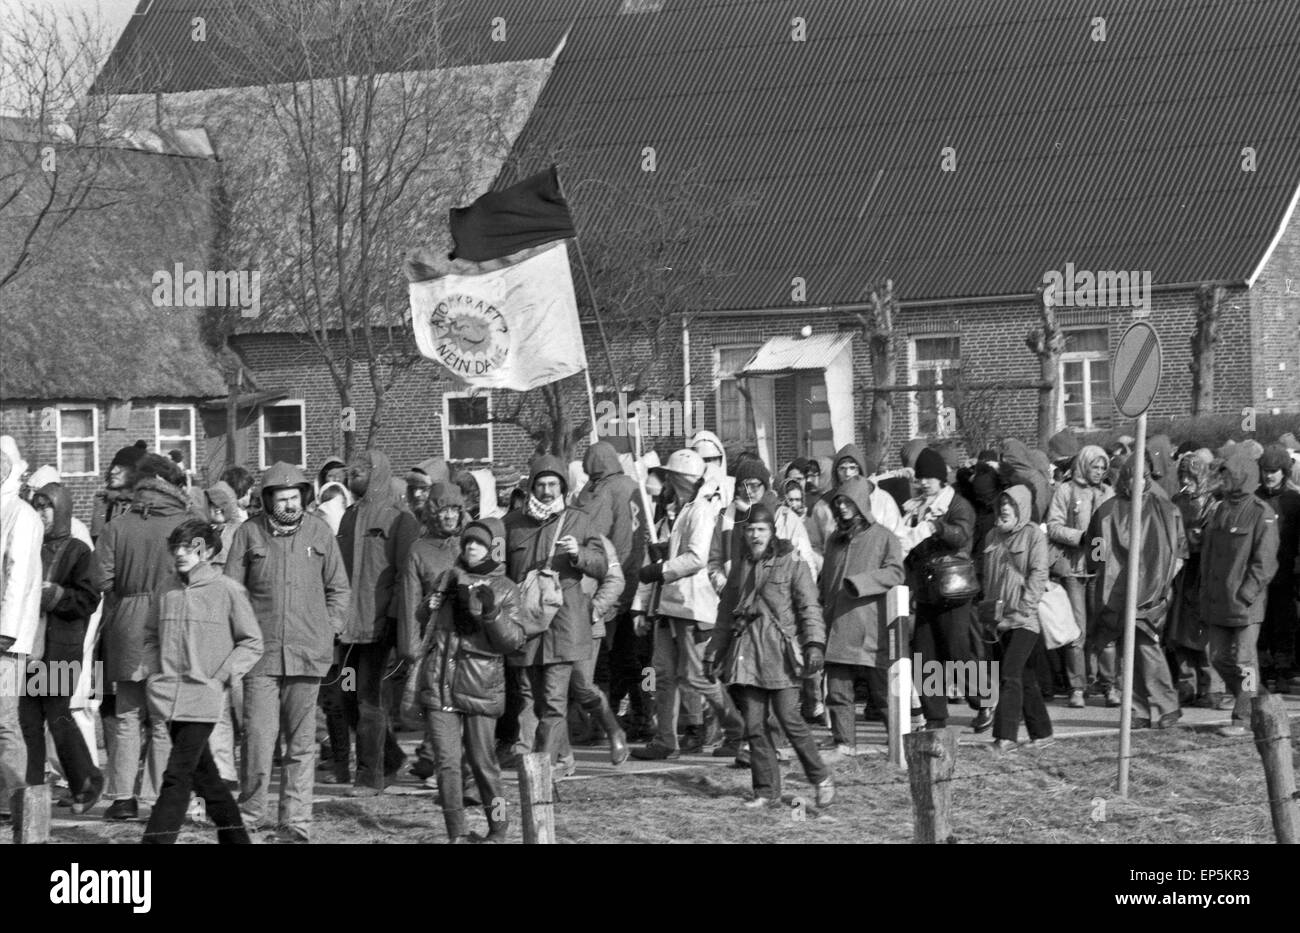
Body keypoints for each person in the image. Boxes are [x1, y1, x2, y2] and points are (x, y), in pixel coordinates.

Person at [225, 462, 349, 841]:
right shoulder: (248, 534)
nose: (290, 505)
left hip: (307, 654)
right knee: (259, 741)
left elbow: (339, 590)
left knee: (301, 745)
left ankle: (295, 823)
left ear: (304, 498)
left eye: (295, 498)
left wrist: (328, 628)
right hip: (260, 657)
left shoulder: (320, 532)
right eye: (282, 499)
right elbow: (230, 592)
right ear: (267, 500)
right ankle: (251, 816)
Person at [706, 504, 834, 809]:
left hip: (781, 653)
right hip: (747, 652)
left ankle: (821, 778)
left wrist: (814, 643)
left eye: (761, 529)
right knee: (754, 725)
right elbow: (726, 613)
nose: (755, 535)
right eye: (750, 530)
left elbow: (809, 607)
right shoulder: (739, 566)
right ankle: (765, 791)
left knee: (790, 719)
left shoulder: (792, 561)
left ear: (772, 531)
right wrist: (714, 651)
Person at [142, 520, 262, 844]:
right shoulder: (165, 589)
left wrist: (221, 677)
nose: (181, 553)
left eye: (190, 546)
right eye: (176, 547)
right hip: (167, 696)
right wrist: (154, 675)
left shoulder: (227, 590)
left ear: (207, 551)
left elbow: (252, 642)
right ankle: (237, 839)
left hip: (203, 698)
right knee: (205, 777)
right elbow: (151, 636)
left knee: (176, 776)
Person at [93, 453, 197, 820]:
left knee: (126, 715)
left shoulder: (118, 525)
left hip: (127, 621)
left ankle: (122, 798)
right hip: (172, 620)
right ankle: (156, 798)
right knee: (162, 718)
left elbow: (100, 579)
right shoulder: (188, 523)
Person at [415, 521, 527, 843]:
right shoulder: (447, 578)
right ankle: (457, 834)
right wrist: (429, 604)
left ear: (491, 547)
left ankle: (499, 830)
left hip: (481, 686)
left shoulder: (505, 587)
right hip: (440, 681)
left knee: (483, 763)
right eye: (467, 543)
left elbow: (513, 641)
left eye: (478, 543)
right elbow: (425, 619)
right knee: (447, 765)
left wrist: (491, 612)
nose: (471, 548)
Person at [631, 449, 744, 760]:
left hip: (693, 606)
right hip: (670, 605)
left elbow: (697, 556)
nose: (665, 481)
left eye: (670, 476)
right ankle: (666, 740)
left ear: (681, 479)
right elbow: (684, 549)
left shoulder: (701, 510)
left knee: (696, 676)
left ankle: (737, 732)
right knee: (663, 674)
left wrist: (661, 568)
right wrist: (665, 550)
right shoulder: (681, 510)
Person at [502, 455, 607, 764]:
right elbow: (500, 573)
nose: (547, 491)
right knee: (531, 702)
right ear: (531, 487)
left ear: (562, 485)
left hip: (564, 624)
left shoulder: (580, 519)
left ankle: (545, 773)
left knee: (553, 702)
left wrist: (580, 554)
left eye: (553, 484)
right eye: (541, 484)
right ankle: (563, 758)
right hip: (527, 626)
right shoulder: (511, 525)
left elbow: (602, 566)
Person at [338, 450, 420, 795]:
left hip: (376, 626)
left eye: (360, 471)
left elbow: (407, 575)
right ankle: (391, 756)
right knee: (346, 695)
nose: (352, 476)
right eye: (351, 471)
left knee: (369, 700)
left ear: (377, 474)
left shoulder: (400, 519)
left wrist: (393, 617)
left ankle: (370, 775)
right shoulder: (348, 516)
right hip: (346, 629)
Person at [20, 483, 104, 813]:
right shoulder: (30, 545)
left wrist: (55, 594)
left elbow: (88, 599)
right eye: (37, 506)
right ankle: (29, 793)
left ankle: (88, 780)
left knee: (56, 716)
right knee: (26, 720)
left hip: (61, 647)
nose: (41, 513)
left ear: (61, 510)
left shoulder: (78, 551)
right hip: (28, 646)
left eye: (47, 507)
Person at [1086, 456, 1186, 729]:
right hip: (1116, 594)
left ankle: (1167, 705)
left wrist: (1158, 584)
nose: (1137, 482)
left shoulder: (1166, 510)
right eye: (1132, 476)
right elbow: (1095, 553)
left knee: (1145, 646)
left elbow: (1178, 552)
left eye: (1142, 477)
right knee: (1126, 652)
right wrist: (1103, 575)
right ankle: (1138, 710)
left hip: (1151, 593)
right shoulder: (1106, 512)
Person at [897, 448, 990, 731]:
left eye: (929, 478)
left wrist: (936, 526)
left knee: (958, 649)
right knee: (925, 654)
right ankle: (935, 717)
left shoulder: (958, 505)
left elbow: (962, 535)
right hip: (927, 591)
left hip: (953, 588)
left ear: (941, 479)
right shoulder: (916, 507)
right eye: (920, 478)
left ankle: (986, 699)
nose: (924, 483)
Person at [819, 476, 906, 759]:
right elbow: (826, 581)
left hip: (871, 628)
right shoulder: (834, 539)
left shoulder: (884, 537)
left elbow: (896, 573)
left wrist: (862, 583)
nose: (842, 507)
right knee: (838, 691)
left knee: (882, 694)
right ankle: (844, 743)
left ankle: (901, 744)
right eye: (839, 502)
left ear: (861, 504)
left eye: (848, 502)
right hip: (836, 625)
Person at [1201, 452, 1278, 737]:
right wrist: (1205, 593)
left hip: (1245, 604)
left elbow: (1265, 561)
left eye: (1227, 474)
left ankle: (1243, 718)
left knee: (1245, 663)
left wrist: (1246, 594)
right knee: (1219, 658)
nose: (1222, 479)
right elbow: (1209, 556)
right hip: (1219, 601)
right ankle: (1262, 700)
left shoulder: (1261, 512)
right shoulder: (1219, 509)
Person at [400, 482, 466, 783]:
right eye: (443, 510)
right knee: (438, 705)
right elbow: (410, 602)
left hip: (468, 641)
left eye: (454, 510)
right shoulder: (419, 551)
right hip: (435, 642)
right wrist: (411, 647)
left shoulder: (471, 543)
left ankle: (445, 763)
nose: (449, 516)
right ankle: (441, 765)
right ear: (432, 513)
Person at [981, 485, 1053, 752]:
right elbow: (987, 578)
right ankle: (1043, 733)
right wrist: (989, 615)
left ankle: (1005, 736)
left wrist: (1023, 611)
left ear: (1021, 508)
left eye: (1010, 505)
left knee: (1009, 675)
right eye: (1001, 505)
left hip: (1025, 620)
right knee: (1025, 677)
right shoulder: (991, 535)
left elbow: (1038, 574)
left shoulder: (1034, 535)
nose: (1004, 510)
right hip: (999, 622)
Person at [1045, 445, 1117, 708]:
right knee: (1077, 632)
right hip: (1075, 569)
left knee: (1105, 630)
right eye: (1094, 466)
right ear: (1084, 465)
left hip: (1103, 571)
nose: (1098, 472)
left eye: (1102, 467)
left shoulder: (1109, 492)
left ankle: (1109, 684)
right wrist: (1079, 537)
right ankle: (1078, 687)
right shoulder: (1065, 490)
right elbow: (1053, 525)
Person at [1, 441, 45, 814]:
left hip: (6, 641)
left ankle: (13, 802)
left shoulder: (22, 514)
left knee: (4, 721)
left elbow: (18, 576)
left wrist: (7, 630)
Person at [1167, 452, 1226, 707]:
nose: (1186, 481)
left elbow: (1211, 537)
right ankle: (1186, 683)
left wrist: (1193, 537)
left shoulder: (1212, 503)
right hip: (1182, 573)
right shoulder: (1177, 501)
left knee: (1204, 633)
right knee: (1180, 632)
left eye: (1190, 476)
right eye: (1182, 476)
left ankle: (1212, 686)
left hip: (1202, 571)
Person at [1256, 444, 1300, 691]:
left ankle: (1284, 670)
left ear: (1284, 471)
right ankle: (1264, 669)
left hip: (1285, 572)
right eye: (1265, 470)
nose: (1269, 475)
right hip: (1260, 575)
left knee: (1284, 623)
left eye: (1274, 471)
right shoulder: (1255, 498)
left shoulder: (1294, 501)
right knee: (1261, 626)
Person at [807, 444, 902, 555]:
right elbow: (813, 546)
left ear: (860, 469)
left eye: (852, 468)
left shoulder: (882, 500)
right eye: (842, 468)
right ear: (835, 472)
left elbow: (899, 539)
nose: (847, 474)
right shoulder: (823, 505)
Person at [91, 441, 149, 541]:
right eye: (113, 466)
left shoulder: (147, 503)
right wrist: (100, 511)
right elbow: (98, 541)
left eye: (121, 467)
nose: (113, 471)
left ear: (135, 472)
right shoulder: (107, 501)